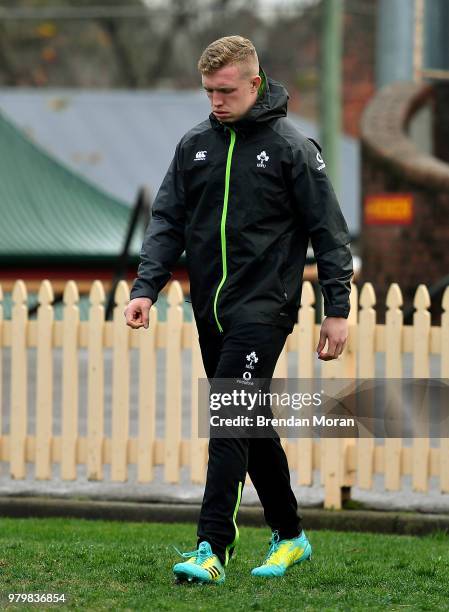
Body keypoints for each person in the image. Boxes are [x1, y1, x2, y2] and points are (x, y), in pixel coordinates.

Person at [124, 35, 353, 584]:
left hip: (265, 309)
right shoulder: (193, 145)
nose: (215, 102)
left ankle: (211, 548)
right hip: (212, 311)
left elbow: (329, 232)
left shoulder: (294, 148)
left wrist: (336, 308)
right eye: (208, 91)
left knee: (228, 417)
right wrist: (144, 288)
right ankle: (292, 535)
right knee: (249, 422)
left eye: (225, 91)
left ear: (255, 83)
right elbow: (166, 222)